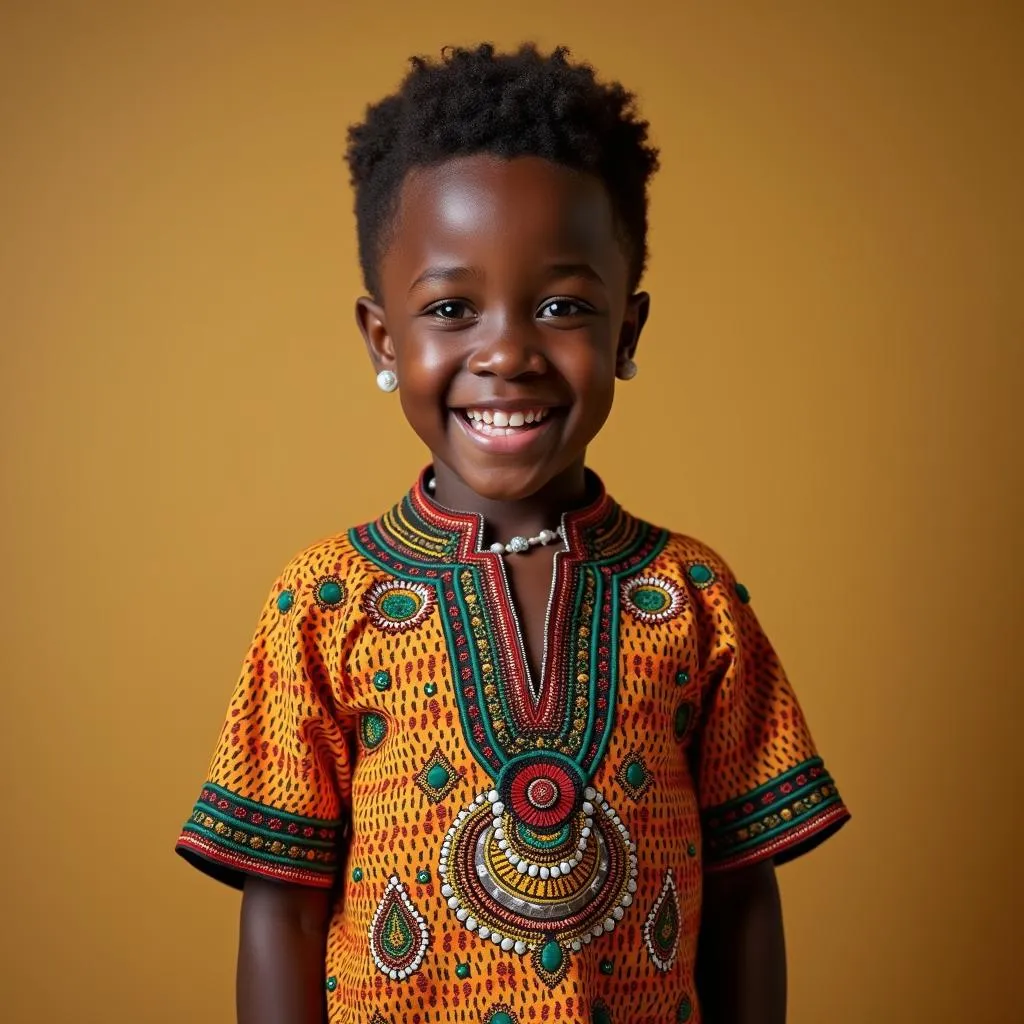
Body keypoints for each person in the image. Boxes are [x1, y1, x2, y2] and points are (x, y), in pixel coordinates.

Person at [175, 42, 850, 1024]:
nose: (506, 350)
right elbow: (281, 908)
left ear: (626, 331)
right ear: (382, 338)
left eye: (562, 307)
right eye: (451, 308)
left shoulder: (695, 598)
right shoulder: (323, 601)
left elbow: (743, 893)